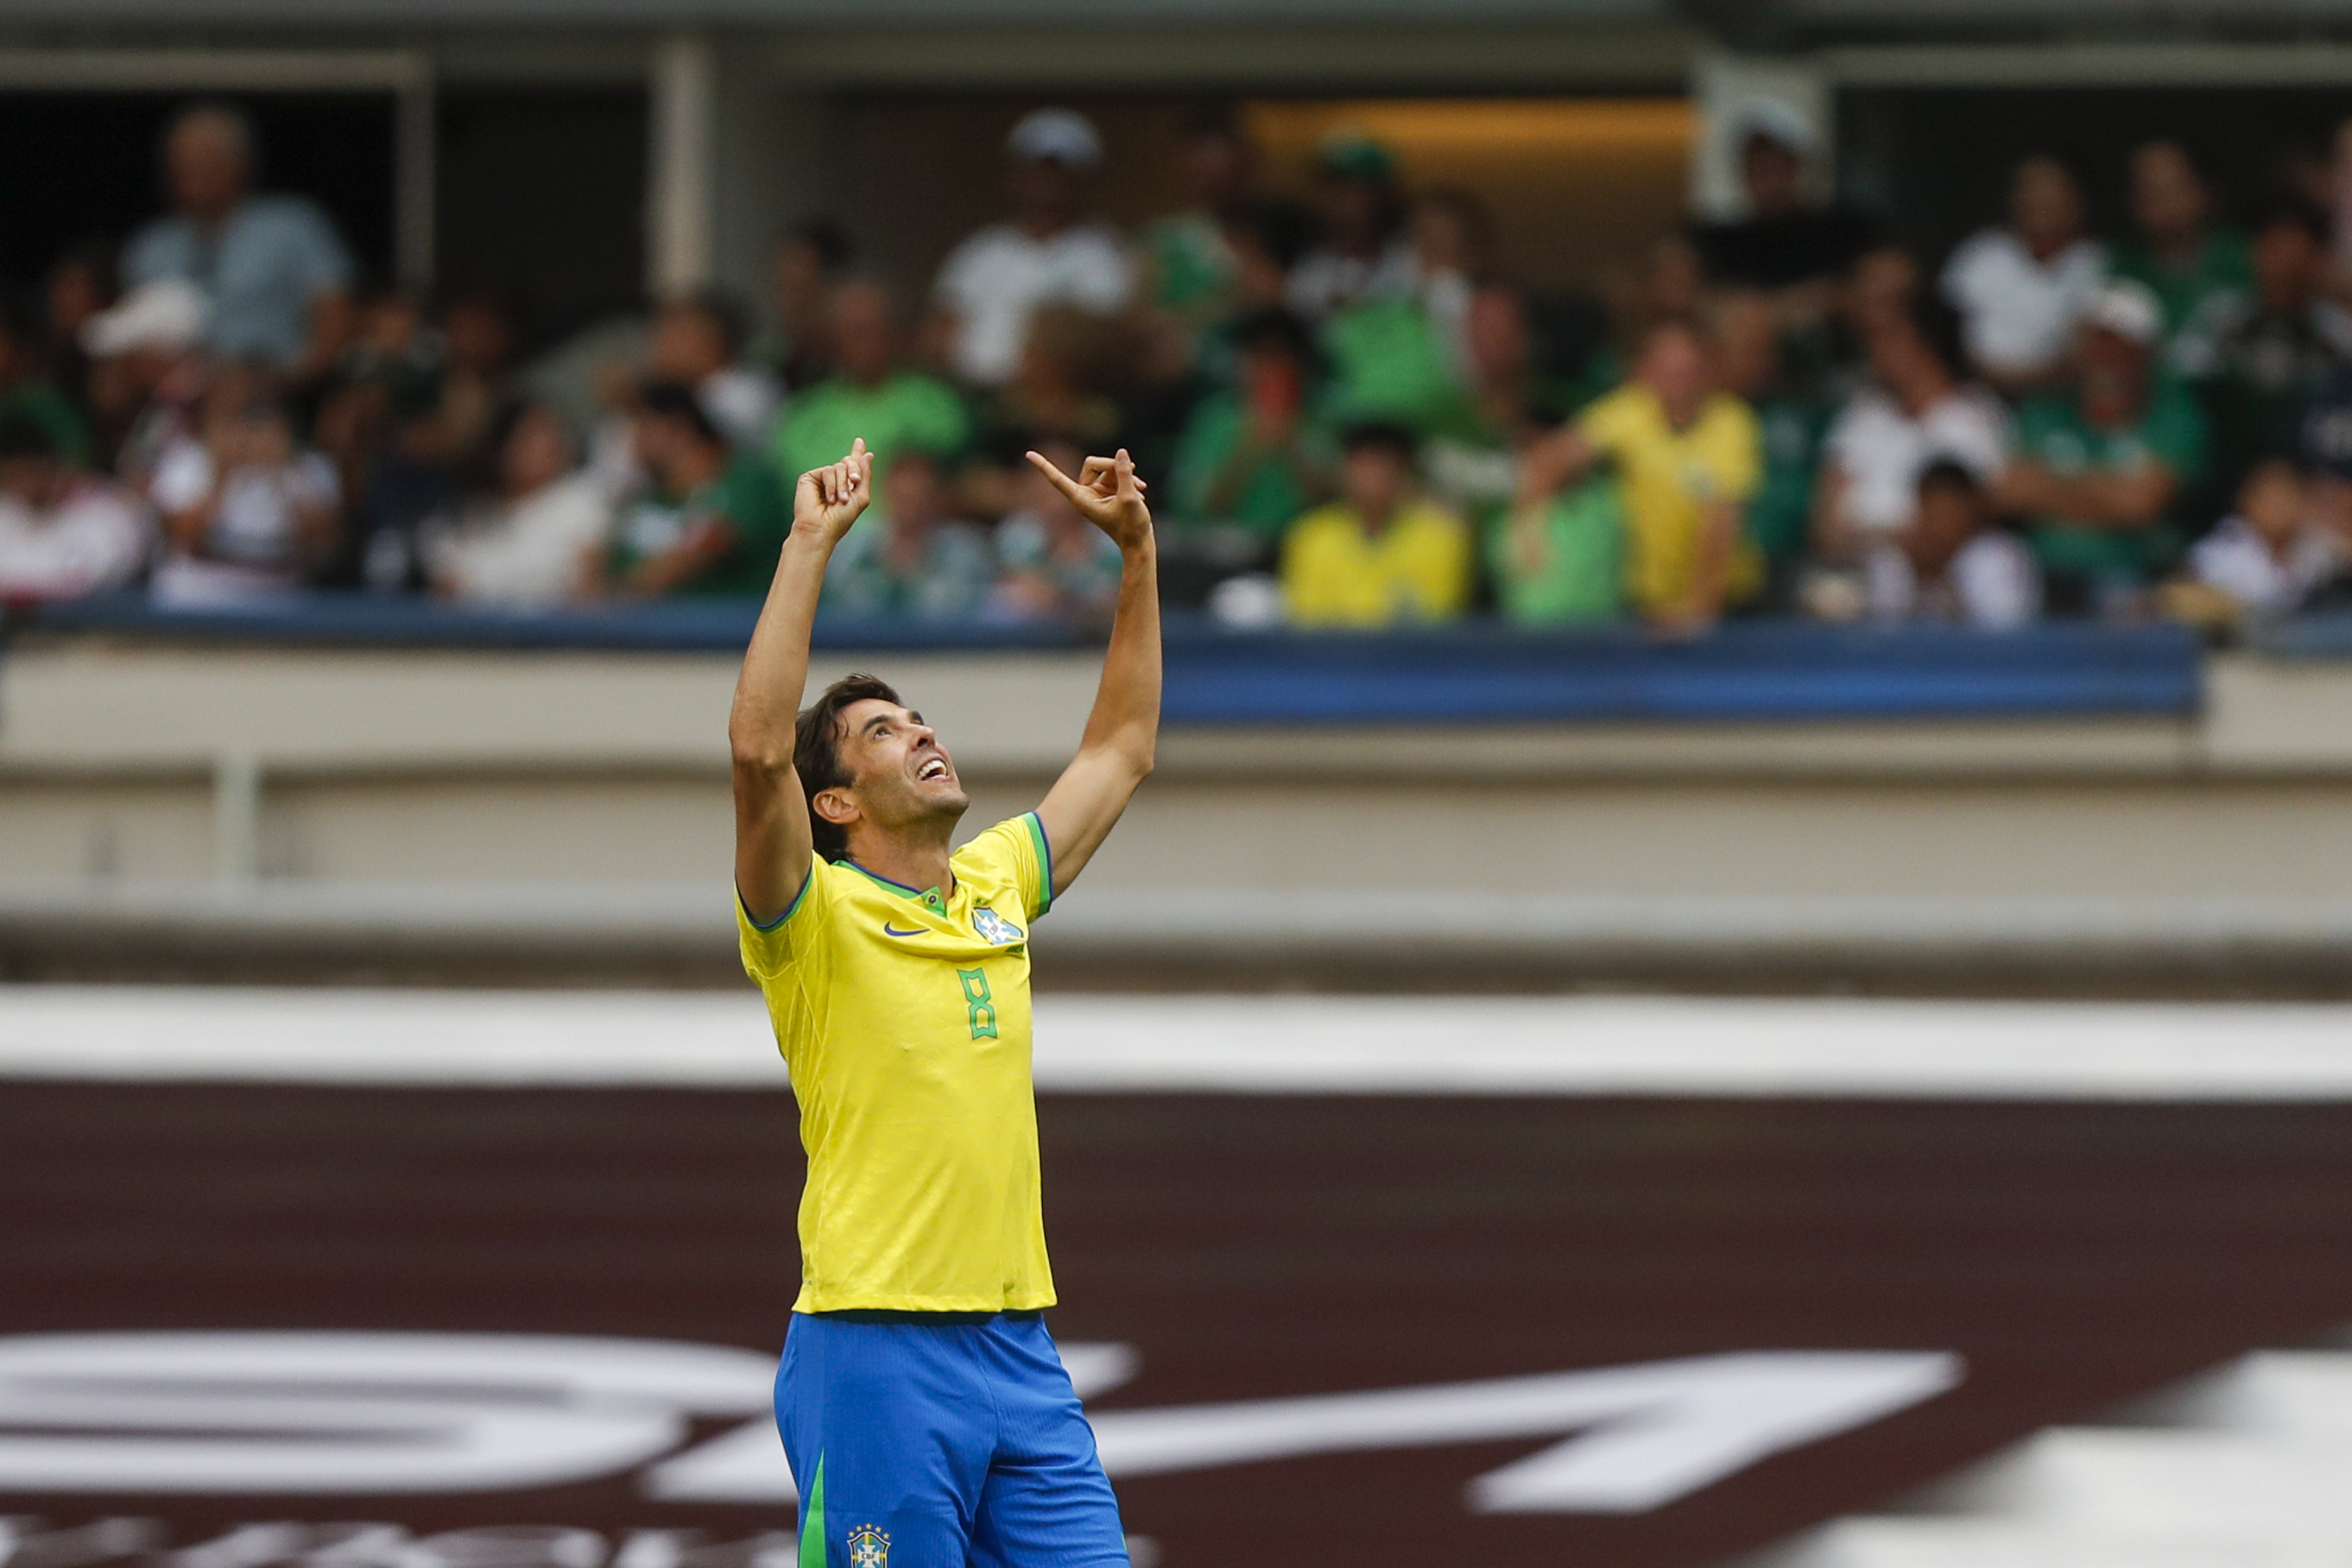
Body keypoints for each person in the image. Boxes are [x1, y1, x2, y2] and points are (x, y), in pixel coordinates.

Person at [728, 434, 1156, 1568]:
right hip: (873, 1348)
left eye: (918, 717)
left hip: (1019, 1345)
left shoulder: (995, 883)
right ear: (835, 803)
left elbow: (1120, 748)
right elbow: (758, 752)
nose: (922, 730)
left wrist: (1137, 557)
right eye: (883, 730)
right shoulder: (811, 918)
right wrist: (809, 544)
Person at [1998, 279, 2207, 616]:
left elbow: (2140, 505)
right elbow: (2012, 491)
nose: (2103, 357)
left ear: (2144, 353)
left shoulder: (2173, 416)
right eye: (2093, 342)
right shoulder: (2044, 411)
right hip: (2039, 573)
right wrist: (2110, 492)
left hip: (2133, 578)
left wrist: (2052, 486)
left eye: (2117, 345)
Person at [1542, 319, 1762, 633]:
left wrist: (1698, 609)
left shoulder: (1733, 422)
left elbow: (1721, 523)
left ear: (1708, 371)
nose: (1678, 382)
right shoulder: (1631, 410)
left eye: (1687, 370)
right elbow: (1550, 460)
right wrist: (1530, 525)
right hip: (1645, 606)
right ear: (1644, 371)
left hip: (1726, 606)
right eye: (1667, 370)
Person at [122, 101, 354, 379]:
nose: (190, 177)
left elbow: (335, 317)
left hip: (273, 383)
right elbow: (128, 333)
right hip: (173, 389)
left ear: (240, 164)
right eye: (180, 165)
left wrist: (285, 382)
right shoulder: (151, 245)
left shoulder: (293, 225)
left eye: (204, 163)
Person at [931, 108, 1133, 388]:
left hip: (1069, 396)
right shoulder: (980, 253)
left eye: (1057, 172)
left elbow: (1115, 335)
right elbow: (939, 332)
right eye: (1035, 170)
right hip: (979, 394)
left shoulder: (1106, 254)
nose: (1045, 182)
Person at [1813, 298, 2012, 564]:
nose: (1876, 352)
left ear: (1924, 347)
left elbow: (1969, 524)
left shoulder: (1976, 417)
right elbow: (1826, 532)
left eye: (1890, 341)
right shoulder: (1860, 417)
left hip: (1946, 573)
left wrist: (1890, 540)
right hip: (1860, 571)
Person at [2204, 198, 2352, 504]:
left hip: (2308, 485)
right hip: (2221, 481)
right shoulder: (2218, 324)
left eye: (2296, 256)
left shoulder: (2339, 337)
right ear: (2255, 252)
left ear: (2317, 261)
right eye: (2275, 252)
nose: (2284, 269)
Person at [148, 373, 339, 605]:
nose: (246, 432)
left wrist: (280, 473)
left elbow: (323, 545)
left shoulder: (309, 467)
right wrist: (222, 474)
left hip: (280, 598)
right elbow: (183, 539)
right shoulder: (187, 460)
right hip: (199, 597)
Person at [772, 281, 970, 488]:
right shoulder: (803, 416)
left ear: (894, 333)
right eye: (855, 330)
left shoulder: (935, 404)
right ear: (832, 338)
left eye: (874, 328)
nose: (866, 342)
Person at [1940, 154, 2107, 395]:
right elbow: (1944, 337)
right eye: (2030, 188)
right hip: (1972, 394)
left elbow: (2094, 356)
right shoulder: (1980, 254)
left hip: (2064, 401)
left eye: (2051, 190)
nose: (2040, 200)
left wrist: (2030, 380)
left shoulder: (2099, 264)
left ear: (2078, 201)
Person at [603, 382, 789, 597]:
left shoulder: (747, 481)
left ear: (677, 426)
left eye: (642, 426)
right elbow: (609, 570)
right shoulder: (644, 503)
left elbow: (713, 545)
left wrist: (624, 593)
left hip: (741, 615)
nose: (632, 440)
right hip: (652, 618)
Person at [1279, 421, 1471, 626]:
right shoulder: (1310, 535)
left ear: (1403, 471)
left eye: (1384, 462)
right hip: (1332, 647)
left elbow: (1436, 616)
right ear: (1345, 469)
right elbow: (1307, 620)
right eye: (1363, 463)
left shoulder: (1442, 536)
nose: (1373, 475)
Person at [1168, 306, 1332, 542]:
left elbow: (1338, 505)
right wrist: (1249, 448)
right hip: (1225, 545)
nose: (1270, 369)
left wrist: (1292, 446)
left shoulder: (1322, 418)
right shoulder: (1216, 419)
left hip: (1304, 544)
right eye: (1261, 357)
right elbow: (1191, 506)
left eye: (1280, 357)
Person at [425, 403, 612, 607]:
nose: (544, 447)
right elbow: (445, 588)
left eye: (551, 440)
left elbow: (587, 590)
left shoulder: (581, 499)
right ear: (502, 448)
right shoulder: (471, 512)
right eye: (529, 440)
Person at [1689, 107, 1873, 309]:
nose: (1762, 177)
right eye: (1754, 165)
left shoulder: (1839, 231)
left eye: (1771, 165)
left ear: (1794, 167)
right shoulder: (1721, 242)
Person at [2112, 140, 2254, 383]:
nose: (2159, 199)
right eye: (2148, 188)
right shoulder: (2121, 270)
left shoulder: (2245, 257)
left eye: (2170, 186)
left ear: (2202, 190)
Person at [1861, 459, 2041, 629]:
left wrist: (1942, 576)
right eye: (1933, 513)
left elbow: (2005, 632)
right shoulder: (1895, 559)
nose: (1941, 526)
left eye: (1950, 513)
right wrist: (1917, 579)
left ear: (1973, 510)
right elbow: (1882, 631)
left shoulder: (1999, 555)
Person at [820, 447, 993, 619]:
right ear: (886, 491)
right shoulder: (850, 550)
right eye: (903, 498)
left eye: (918, 497)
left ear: (937, 496)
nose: (910, 507)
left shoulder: (966, 554)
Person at [0, 411, 151, 604]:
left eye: (26, 471)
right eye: (12, 474)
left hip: (101, 618)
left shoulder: (109, 510)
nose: (21, 482)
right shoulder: (8, 510)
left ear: (50, 464)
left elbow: (86, 579)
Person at [2181, 456, 2343, 618]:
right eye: (2269, 497)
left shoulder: (2317, 547)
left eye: (2286, 495)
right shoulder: (2220, 550)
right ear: (2246, 500)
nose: (2278, 506)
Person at [991, 436, 1127, 622]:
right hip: (1035, 630)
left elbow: (1116, 598)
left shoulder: (1109, 536)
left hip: (1098, 631)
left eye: (1064, 478)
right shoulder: (1018, 533)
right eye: (1044, 482)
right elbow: (1021, 592)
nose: (1054, 490)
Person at [1285, 134, 1417, 322]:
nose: (1347, 204)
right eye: (1338, 191)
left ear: (1383, 195)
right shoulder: (1308, 269)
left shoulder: (1410, 263)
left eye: (1360, 190)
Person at [648, 289, 782, 452]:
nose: (662, 343)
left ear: (712, 339)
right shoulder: (691, 394)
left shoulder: (745, 395)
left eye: (675, 333)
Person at [755, 216, 855, 393]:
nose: (788, 303)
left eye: (799, 289)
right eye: (782, 287)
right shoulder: (763, 361)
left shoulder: (859, 366)